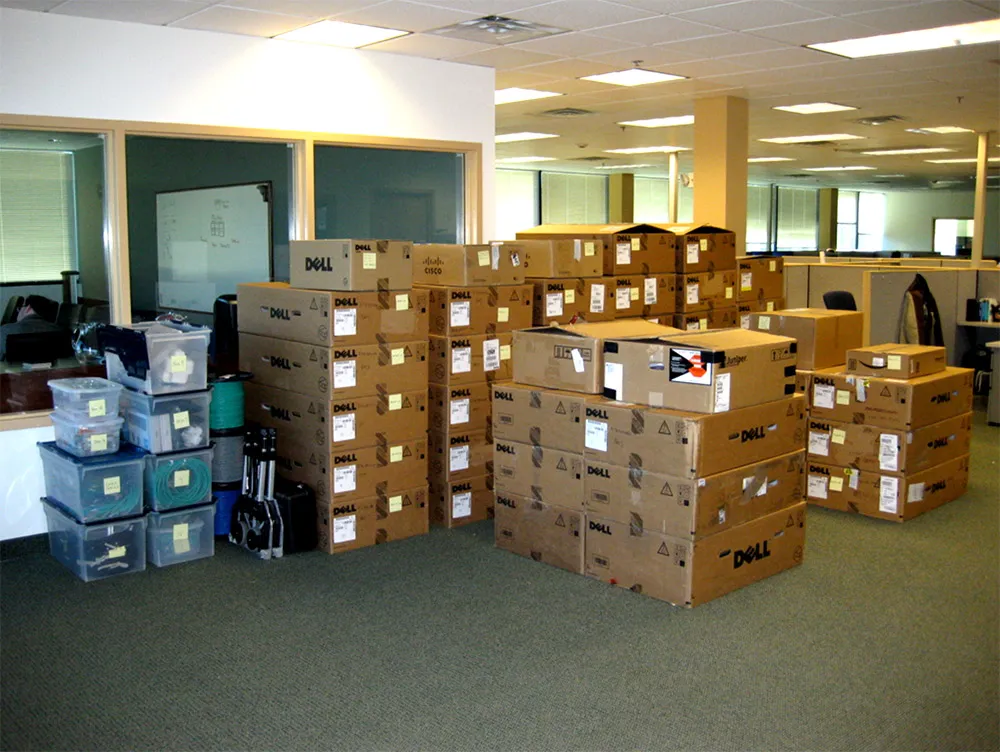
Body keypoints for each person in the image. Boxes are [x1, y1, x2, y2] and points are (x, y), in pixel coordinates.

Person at [0, 296, 70, 362]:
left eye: (20, 308)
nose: (18, 311)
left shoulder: (5, 330)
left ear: (28, 308)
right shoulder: (62, 331)